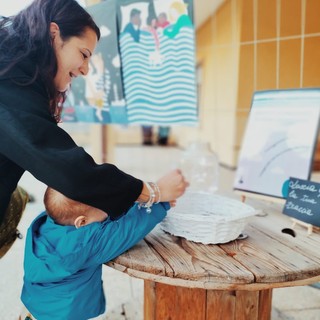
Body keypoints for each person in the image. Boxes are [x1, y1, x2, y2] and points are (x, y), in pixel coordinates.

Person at [0, 0, 188, 257]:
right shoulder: (7, 80)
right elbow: (65, 167)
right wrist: (153, 192)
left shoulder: (14, 69)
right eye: (84, 54)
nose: (86, 70)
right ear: (54, 35)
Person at [20, 187, 172, 320]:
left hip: (33, 308)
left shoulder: (46, 223)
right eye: (104, 208)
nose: (108, 210)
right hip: (66, 316)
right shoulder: (87, 243)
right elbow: (127, 230)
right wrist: (161, 202)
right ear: (82, 223)